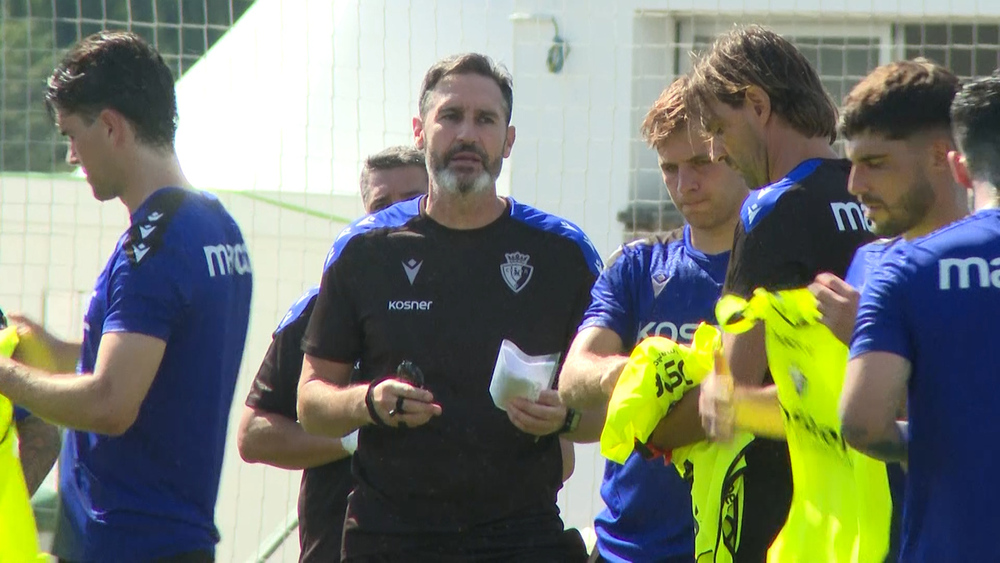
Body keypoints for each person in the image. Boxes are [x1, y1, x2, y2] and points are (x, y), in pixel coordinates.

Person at [297, 52, 600, 562]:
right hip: (389, 542)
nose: (467, 135)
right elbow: (309, 404)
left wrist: (565, 418)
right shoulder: (365, 249)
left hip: (521, 541)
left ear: (508, 140)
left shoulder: (564, 254)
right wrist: (368, 402)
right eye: (450, 116)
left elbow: (611, 411)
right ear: (420, 131)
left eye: (485, 120)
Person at [0, 31, 253, 562]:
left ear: (111, 126)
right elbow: (147, 365)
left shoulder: (153, 245)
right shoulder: (216, 223)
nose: (71, 155)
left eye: (72, 133)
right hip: (171, 538)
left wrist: (6, 377)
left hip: (129, 543)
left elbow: (112, 403)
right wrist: (49, 349)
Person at [680, 25, 875, 559]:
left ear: (758, 105)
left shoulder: (773, 206)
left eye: (718, 129)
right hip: (880, 494)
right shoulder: (873, 192)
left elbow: (734, 380)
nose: (717, 152)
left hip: (794, 504)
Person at [558, 76, 748, 563]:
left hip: (740, 544)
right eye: (670, 168)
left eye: (701, 162)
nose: (685, 184)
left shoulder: (780, 270)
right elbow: (575, 377)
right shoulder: (638, 265)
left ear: (737, 151)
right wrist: (630, 372)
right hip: (629, 548)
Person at [237, 145, 428, 562]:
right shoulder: (320, 307)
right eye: (381, 205)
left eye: (412, 201)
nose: (396, 216)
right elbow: (253, 435)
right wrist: (356, 436)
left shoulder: (466, 306)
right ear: (362, 213)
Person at [810, 58, 967, 562]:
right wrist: (742, 403)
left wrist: (876, 342)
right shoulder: (867, 262)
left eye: (876, 163)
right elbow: (843, 414)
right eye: (851, 162)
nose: (854, 184)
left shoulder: (983, 267)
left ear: (943, 157)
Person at [840, 72, 1000, 562]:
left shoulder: (905, 271)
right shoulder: (878, 265)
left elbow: (862, 423)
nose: (854, 185)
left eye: (874, 163)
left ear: (954, 164)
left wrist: (934, 440)